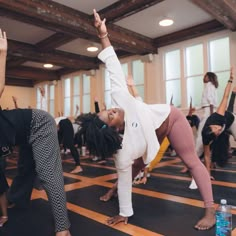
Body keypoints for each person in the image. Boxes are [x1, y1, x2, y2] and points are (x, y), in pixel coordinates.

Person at [77, 9, 215, 231]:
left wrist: (102, 35)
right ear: (112, 130)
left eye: (108, 110)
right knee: (131, 167)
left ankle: (211, 209)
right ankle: (114, 191)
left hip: (170, 119)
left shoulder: (122, 99)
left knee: (190, 161)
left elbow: (113, 68)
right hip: (148, 138)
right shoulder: (123, 148)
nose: (112, 109)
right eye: (110, 115)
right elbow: (125, 176)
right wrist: (123, 212)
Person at [0, 29, 71, 236]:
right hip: (22, 134)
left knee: (48, 174)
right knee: (24, 169)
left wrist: (2, 53)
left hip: (39, 124)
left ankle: (63, 227)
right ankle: (17, 199)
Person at [202, 68, 235, 178]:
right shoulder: (206, 137)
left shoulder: (218, 116)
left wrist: (230, 79)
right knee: (220, 146)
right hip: (224, 126)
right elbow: (206, 156)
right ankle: (216, 161)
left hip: (231, 121)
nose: (219, 130)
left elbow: (225, 96)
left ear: (213, 126)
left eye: (217, 129)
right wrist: (207, 174)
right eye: (217, 132)